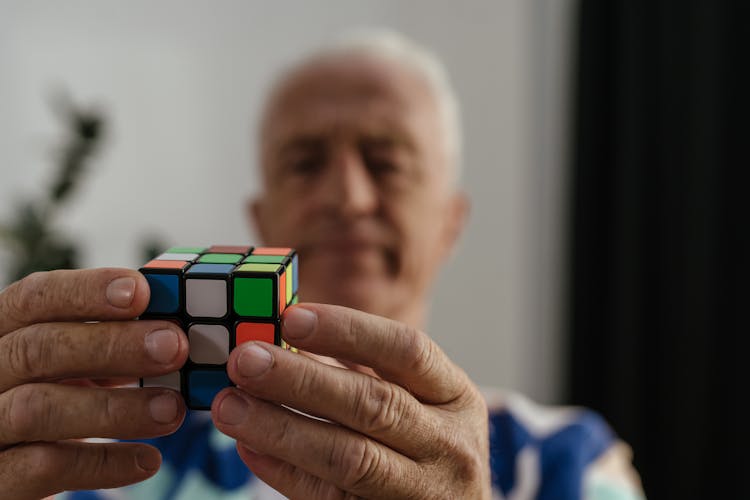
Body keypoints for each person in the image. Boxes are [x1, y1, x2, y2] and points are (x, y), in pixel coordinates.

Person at [0, 31, 644, 500]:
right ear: (261, 225)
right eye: (305, 162)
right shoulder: (115, 464)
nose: (347, 198)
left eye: (386, 162)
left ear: (449, 221)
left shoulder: (565, 464)